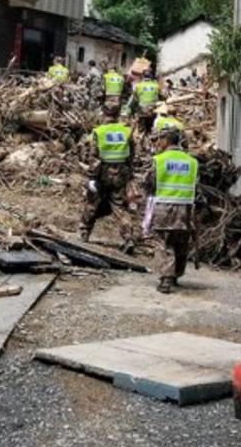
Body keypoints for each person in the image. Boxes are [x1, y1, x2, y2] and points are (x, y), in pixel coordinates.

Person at [144, 127, 198, 293]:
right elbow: (197, 185)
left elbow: (149, 182)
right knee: (180, 241)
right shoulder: (192, 162)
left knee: (163, 241)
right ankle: (176, 274)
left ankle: (166, 279)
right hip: (186, 208)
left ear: (167, 140)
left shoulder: (159, 160)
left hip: (164, 206)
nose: (158, 143)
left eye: (160, 139)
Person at [80, 104, 136, 252]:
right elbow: (132, 154)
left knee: (93, 203)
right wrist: (130, 174)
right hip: (121, 173)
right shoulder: (126, 131)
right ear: (117, 115)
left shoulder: (99, 132)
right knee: (119, 206)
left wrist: (92, 177)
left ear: (103, 114)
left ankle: (84, 232)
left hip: (103, 173)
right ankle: (128, 237)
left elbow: (93, 157)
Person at [130, 70, 162, 135]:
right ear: (151, 76)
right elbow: (161, 96)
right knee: (151, 128)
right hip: (153, 110)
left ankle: (140, 140)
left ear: (143, 76)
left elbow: (135, 99)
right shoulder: (156, 86)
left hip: (142, 110)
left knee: (141, 129)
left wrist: (134, 111)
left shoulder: (138, 86)